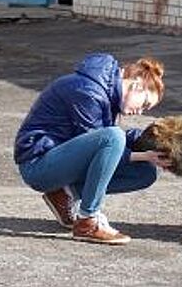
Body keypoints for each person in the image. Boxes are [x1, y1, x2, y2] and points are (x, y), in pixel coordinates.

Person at [14, 53, 171, 245]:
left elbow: (101, 141)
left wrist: (154, 140)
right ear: (137, 85)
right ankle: (88, 220)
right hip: (38, 165)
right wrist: (144, 155)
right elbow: (106, 144)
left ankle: (64, 195)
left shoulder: (105, 93)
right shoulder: (87, 91)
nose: (140, 112)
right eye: (144, 104)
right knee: (114, 137)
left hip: (60, 160)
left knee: (145, 172)